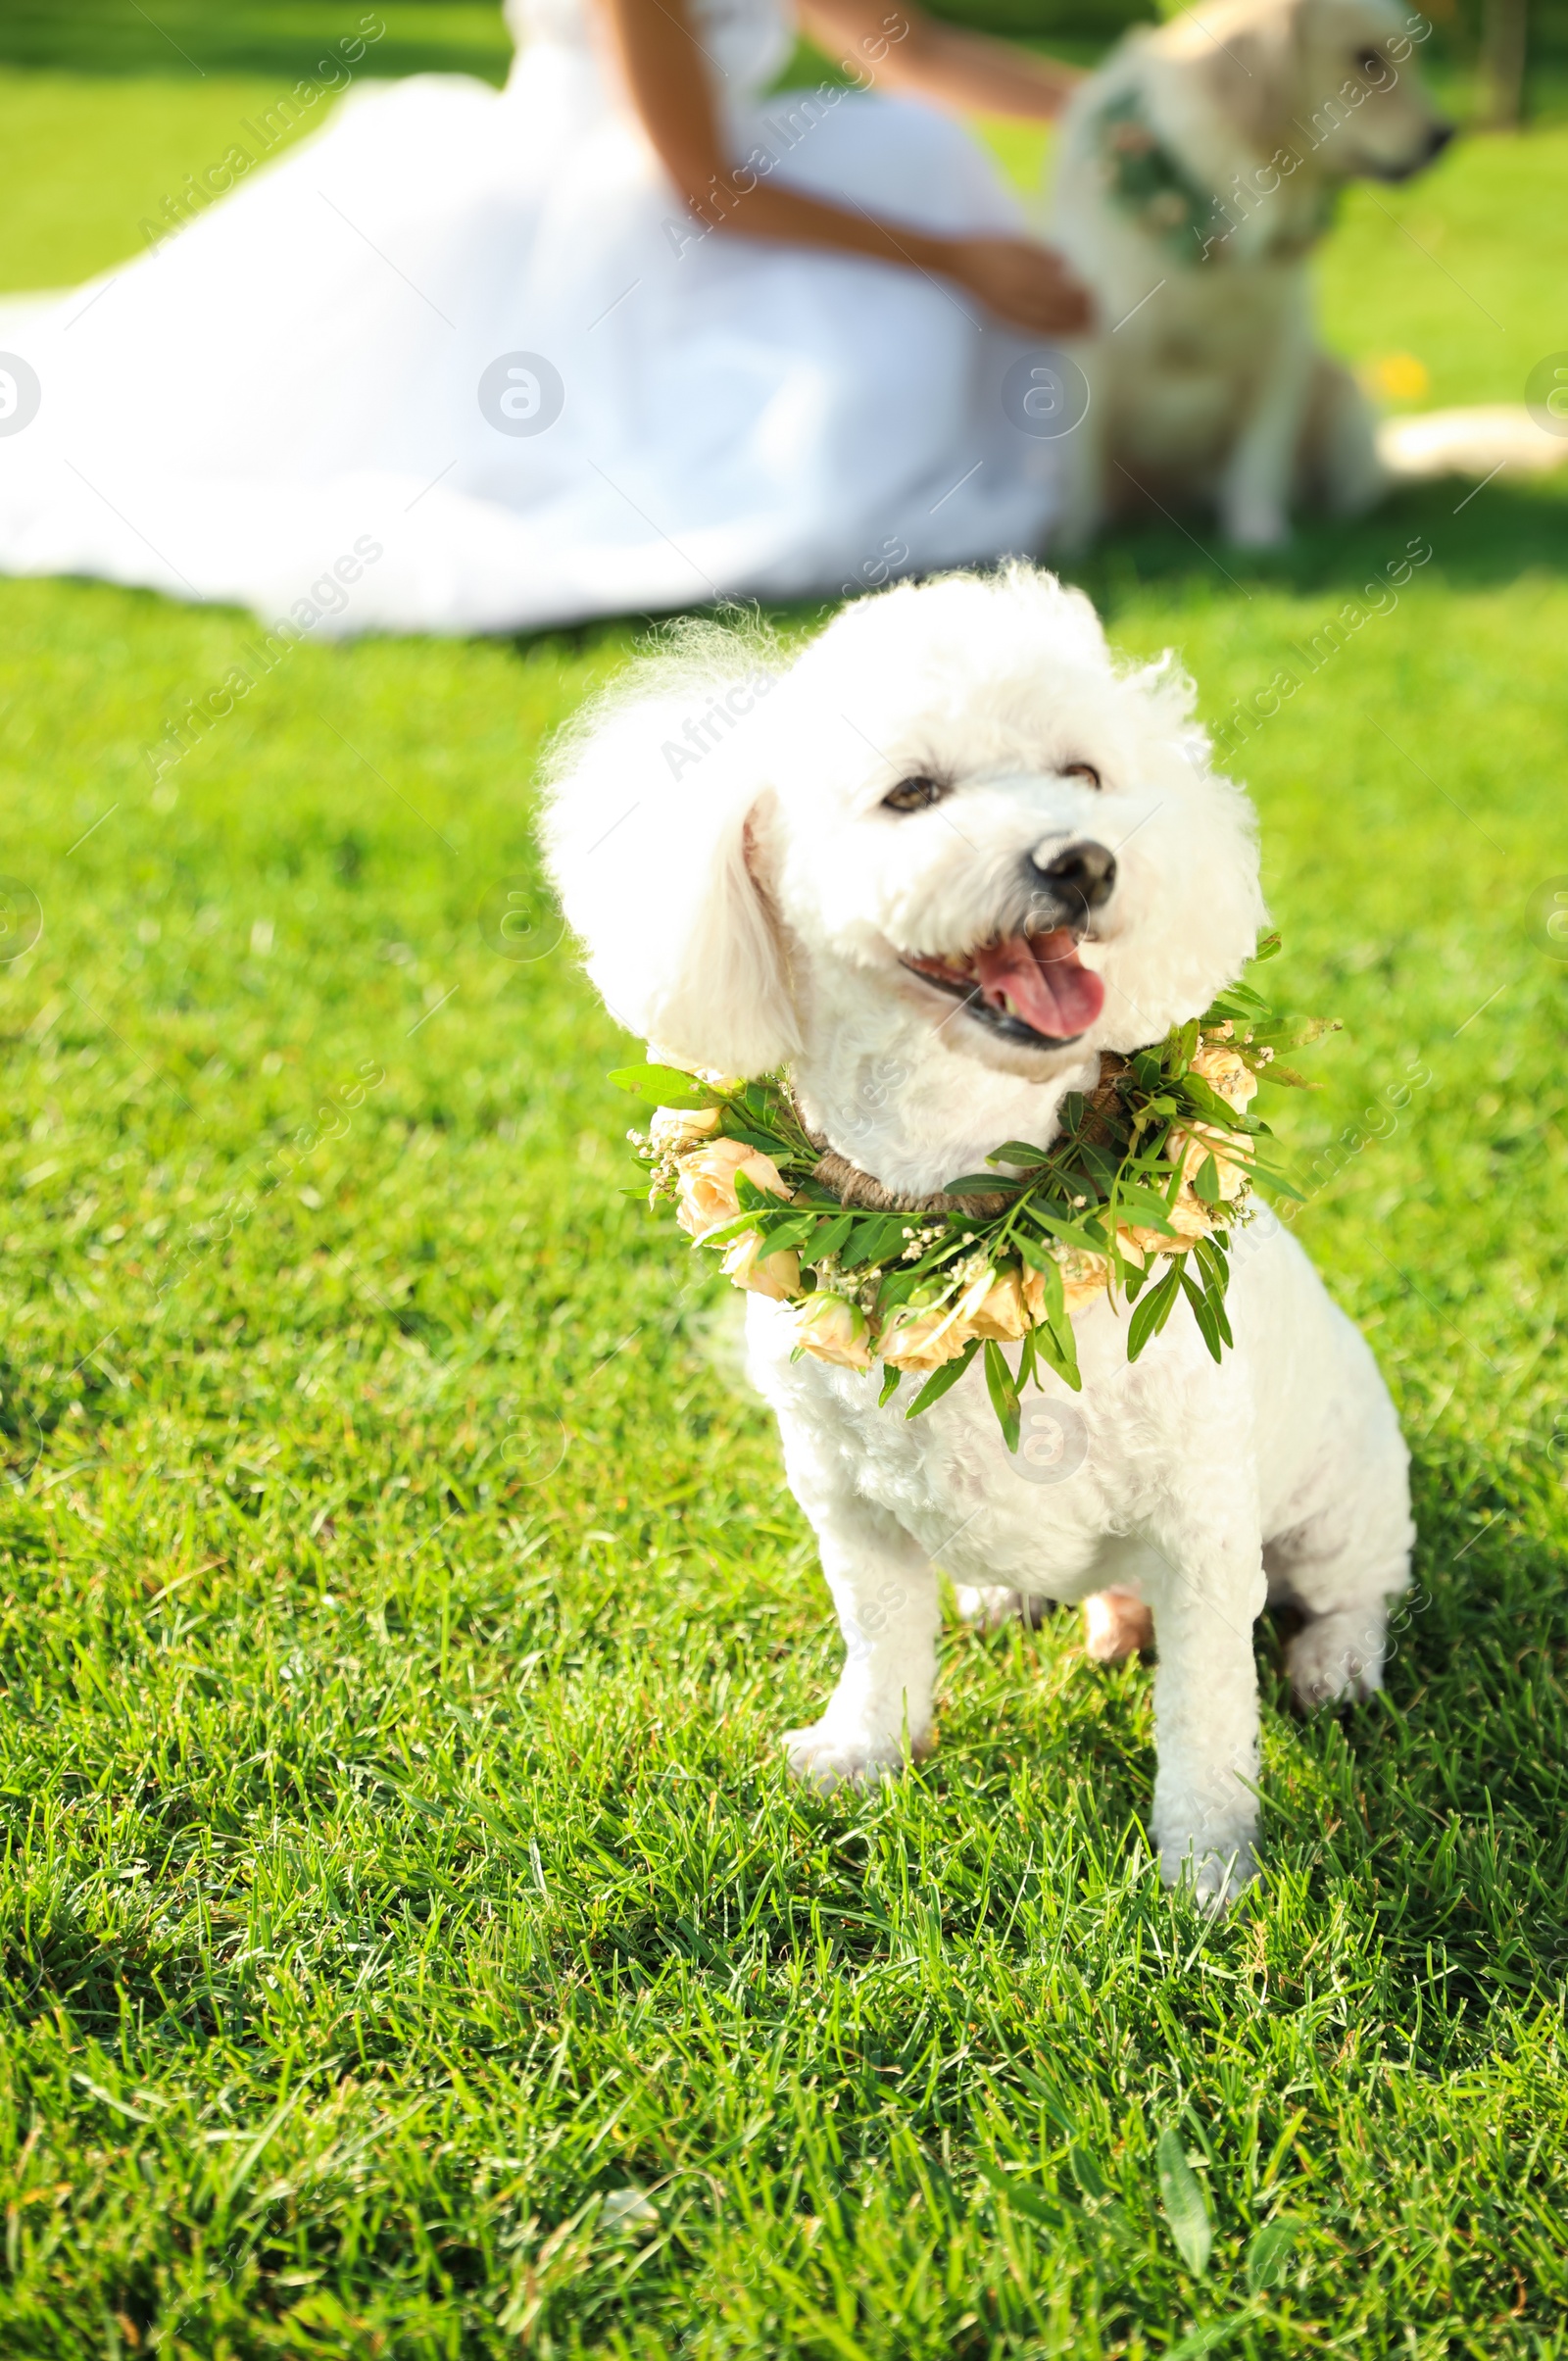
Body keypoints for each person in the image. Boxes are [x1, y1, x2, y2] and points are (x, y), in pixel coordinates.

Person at [0, 0, 1089, 638]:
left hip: (724, 188)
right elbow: (696, 178)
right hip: (595, 210)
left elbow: (911, 52)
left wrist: (1120, 109)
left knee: (919, 151)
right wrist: (953, 260)